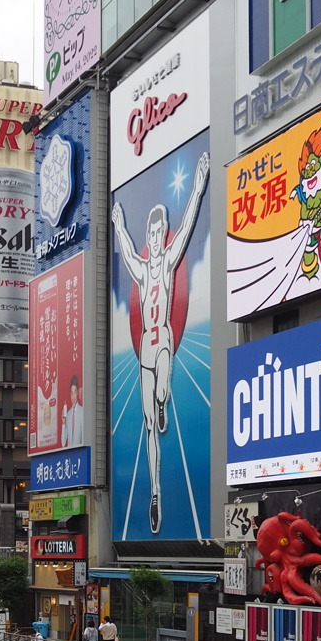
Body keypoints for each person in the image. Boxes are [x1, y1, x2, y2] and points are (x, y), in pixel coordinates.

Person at [111, 150, 210, 534]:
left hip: (163, 342)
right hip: (145, 357)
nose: (154, 239)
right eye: (150, 235)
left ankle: (165, 399)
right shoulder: (140, 269)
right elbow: (123, 247)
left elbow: (187, 225)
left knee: (163, 391)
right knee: (149, 425)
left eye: (158, 233)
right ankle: (154, 492)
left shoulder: (167, 264)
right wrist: (119, 223)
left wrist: (199, 183)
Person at [60, 374, 84, 448]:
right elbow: (63, 443)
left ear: (77, 393)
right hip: (71, 454)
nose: (73, 396)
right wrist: (63, 423)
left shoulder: (83, 412)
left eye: (75, 392)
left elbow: (84, 436)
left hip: (81, 453)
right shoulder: (68, 414)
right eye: (71, 393)